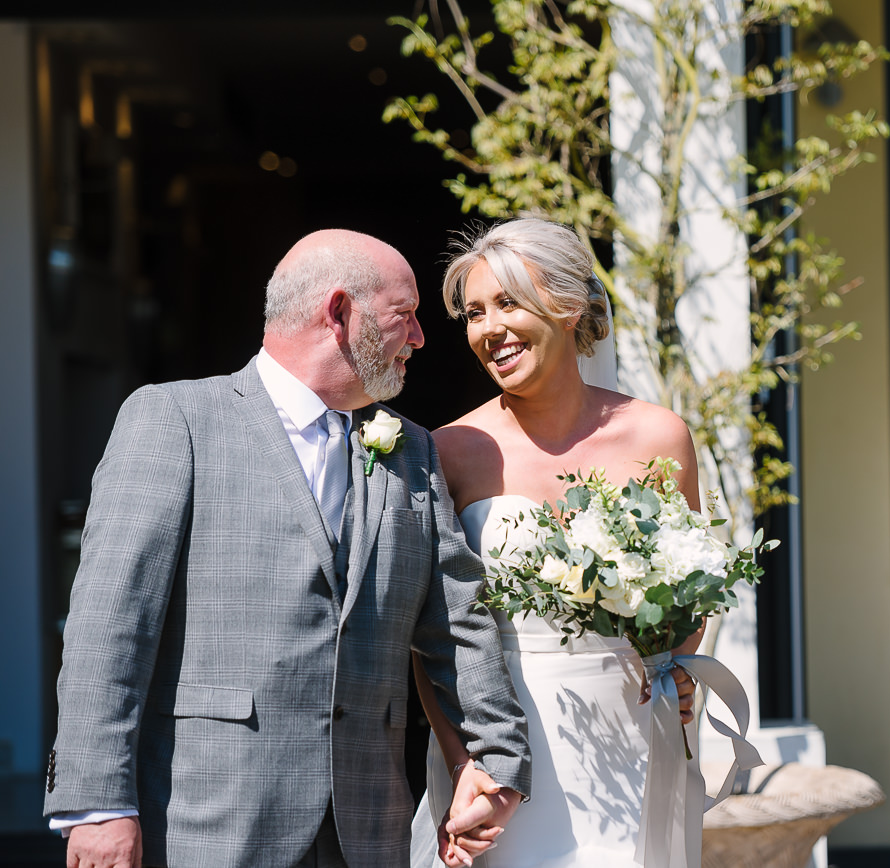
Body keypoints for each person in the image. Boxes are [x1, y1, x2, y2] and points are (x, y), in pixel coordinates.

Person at [44, 229, 530, 868]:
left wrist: (496, 761)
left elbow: (455, 624)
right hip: (210, 824)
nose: (419, 339)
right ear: (337, 314)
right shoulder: (177, 421)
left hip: (366, 831)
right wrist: (99, 805)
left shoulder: (411, 450)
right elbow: (111, 625)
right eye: (404, 317)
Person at [410, 217, 699, 867]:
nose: (488, 329)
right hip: (500, 757)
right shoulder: (449, 453)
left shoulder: (661, 438)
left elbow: (689, 589)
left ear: (568, 306)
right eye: (475, 313)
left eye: (508, 303)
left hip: (634, 735)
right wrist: (464, 764)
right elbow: (431, 637)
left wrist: (677, 665)